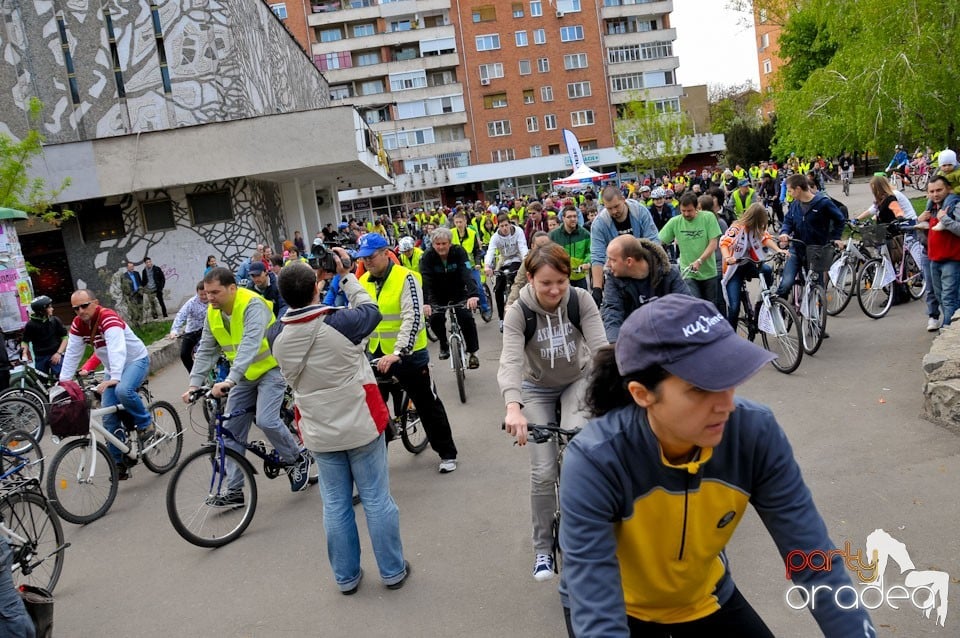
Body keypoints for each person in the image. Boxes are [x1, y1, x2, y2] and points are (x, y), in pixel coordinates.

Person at [559, 295, 877, 638]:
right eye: (700, 387)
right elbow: (595, 608)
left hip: (706, 600)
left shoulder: (754, 432)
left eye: (729, 374)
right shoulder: (595, 459)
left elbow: (814, 560)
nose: (726, 404)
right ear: (641, 394)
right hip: (620, 611)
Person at [273, 259, 410, 595]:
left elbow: (292, 322)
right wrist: (346, 274)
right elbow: (371, 308)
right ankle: (392, 570)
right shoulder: (343, 322)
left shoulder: (275, 334)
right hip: (361, 420)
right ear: (317, 286)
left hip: (318, 428)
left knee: (335, 503)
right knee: (376, 498)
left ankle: (346, 577)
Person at [499, 243, 607, 581]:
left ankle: (589, 533)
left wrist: (615, 395)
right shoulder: (519, 312)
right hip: (536, 389)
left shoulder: (580, 300)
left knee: (577, 453)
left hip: (577, 380)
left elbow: (602, 350)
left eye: (561, 281)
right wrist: (513, 407)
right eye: (546, 282)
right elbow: (510, 361)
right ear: (530, 278)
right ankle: (543, 548)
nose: (555, 290)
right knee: (543, 471)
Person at [183, 267, 311, 499]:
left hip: (272, 368)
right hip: (243, 377)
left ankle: (296, 459)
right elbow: (206, 350)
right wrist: (194, 384)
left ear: (232, 288)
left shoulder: (252, 304)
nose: (209, 297)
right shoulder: (213, 312)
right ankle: (234, 491)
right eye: (206, 292)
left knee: (266, 419)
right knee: (231, 431)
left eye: (215, 292)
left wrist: (230, 380)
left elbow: (250, 344)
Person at [355, 232, 461, 474]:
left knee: (427, 404)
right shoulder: (362, 283)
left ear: (385, 253)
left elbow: (412, 318)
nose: (367, 262)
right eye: (363, 259)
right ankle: (375, 463)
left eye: (371, 257)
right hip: (376, 354)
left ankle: (447, 453)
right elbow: (359, 320)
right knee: (371, 410)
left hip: (408, 354)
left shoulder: (408, 278)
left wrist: (399, 352)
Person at [59, 289, 154, 479]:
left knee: (123, 390)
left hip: (134, 360)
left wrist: (115, 377)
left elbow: (116, 349)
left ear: (95, 302)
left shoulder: (108, 317)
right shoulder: (79, 324)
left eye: (84, 306)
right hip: (113, 368)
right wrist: (63, 382)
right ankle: (119, 462)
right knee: (109, 416)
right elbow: (72, 354)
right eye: (75, 308)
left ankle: (146, 424)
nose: (80, 311)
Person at [601, 236, 689, 342]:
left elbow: (687, 307)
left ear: (629, 261)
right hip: (635, 342)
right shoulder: (614, 279)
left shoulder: (669, 274)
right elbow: (612, 312)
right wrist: (615, 344)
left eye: (612, 260)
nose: (607, 265)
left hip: (671, 338)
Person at [775, 174, 846, 298]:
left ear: (798, 189)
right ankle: (781, 310)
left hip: (816, 251)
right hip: (797, 249)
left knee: (816, 286)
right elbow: (788, 221)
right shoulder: (795, 205)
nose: (789, 194)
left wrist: (836, 237)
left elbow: (840, 219)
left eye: (790, 191)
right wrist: (784, 232)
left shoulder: (822, 203)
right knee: (786, 283)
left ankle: (816, 313)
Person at [418, 228, 481, 368]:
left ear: (450, 243)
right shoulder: (427, 257)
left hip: (458, 291)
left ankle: (472, 352)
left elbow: (466, 273)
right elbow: (425, 280)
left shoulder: (459, 252)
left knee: (466, 318)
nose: (441, 247)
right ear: (433, 244)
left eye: (444, 243)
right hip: (437, 293)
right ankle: (443, 343)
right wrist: (425, 303)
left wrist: (473, 295)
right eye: (437, 244)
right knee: (434, 318)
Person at [590, 185, 661, 307]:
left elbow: (653, 243)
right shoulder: (599, 224)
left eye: (616, 206)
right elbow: (597, 256)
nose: (614, 211)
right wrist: (597, 288)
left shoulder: (640, 212)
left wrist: (656, 273)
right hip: (618, 274)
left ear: (623, 199)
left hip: (643, 269)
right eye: (609, 208)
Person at [719, 203, 788, 327]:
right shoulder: (736, 228)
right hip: (734, 269)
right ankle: (730, 338)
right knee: (734, 307)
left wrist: (778, 250)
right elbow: (725, 243)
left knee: (767, 270)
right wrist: (728, 257)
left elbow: (765, 239)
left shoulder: (758, 228)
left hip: (750, 264)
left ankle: (764, 299)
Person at [659, 193, 722, 302]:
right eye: (683, 211)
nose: (686, 214)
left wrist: (700, 261)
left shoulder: (708, 217)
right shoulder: (675, 222)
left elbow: (713, 244)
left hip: (709, 272)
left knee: (710, 306)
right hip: (688, 273)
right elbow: (658, 242)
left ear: (697, 207)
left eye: (689, 211)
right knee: (695, 305)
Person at [921, 176, 960, 327]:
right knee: (940, 297)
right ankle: (952, 325)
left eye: (939, 190)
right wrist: (921, 222)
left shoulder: (955, 206)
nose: (935, 194)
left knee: (949, 297)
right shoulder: (931, 208)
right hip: (934, 259)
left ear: (948, 189)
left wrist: (945, 220)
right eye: (932, 191)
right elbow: (927, 236)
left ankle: (947, 329)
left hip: (952, 259)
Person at [484, 212, 529, 331]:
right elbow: (490, 251)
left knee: (519, 283)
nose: (504, 228)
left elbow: (523, 246)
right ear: (498, 227)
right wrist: (487, 266)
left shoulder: (518, 231)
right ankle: (501, 319)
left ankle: (524, 312)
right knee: (498, 288)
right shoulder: (495, 237)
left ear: (510, 224)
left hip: (518, 257)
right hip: (504, 260)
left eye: (506, 225)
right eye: (501, 226)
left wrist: (526, 260)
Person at [450, 212, 492, 322]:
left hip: (472, 266)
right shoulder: (451, 234)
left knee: (477, 287)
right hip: (457, 267)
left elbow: (477, 251)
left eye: (460, 222)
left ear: (465, 222)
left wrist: (478, 263)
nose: (458, 224)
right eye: (456, 222)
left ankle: (485, 308)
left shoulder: (472, 233)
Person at [21, 295, 68, 377]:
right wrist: (24, 353)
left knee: (62, 377)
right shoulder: (31, 325)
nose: (52, 309)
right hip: (40, 357)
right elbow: (25, 341)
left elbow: (65, 337)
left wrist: (58, 353)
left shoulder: (55, 320)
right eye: (49, 307)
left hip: (56, 354)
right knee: (41, 381)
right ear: (41, 310)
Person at [168, 281, 208, 373]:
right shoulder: (191, 303)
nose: (204, 297)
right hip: (192, 332)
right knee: (184, 354)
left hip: (207, 330)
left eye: (206, 294)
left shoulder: (213, 301)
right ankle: (194, 375)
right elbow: (181, 315)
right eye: (201, 295)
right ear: (197, 293)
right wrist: (174, 330)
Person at [549, 204, 592, 290]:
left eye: (575, 216)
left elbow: (590, 251)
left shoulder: (585, 234)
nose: (573, 219)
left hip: (580, 277)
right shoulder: (554, 235)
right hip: (561, 276)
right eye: (569, 217)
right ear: (563, 218)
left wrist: (587, 262)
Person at [120, 260, 143, 327]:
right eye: (130, 267)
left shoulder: (137, 273)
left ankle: (140, 320)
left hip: (139, 293)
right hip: (131, 295)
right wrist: (126, 296)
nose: (132, 268)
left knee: (140, 307)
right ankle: (135, 323)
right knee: (133, 309)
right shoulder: (124, 276)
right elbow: (123, 287)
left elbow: (140, 282)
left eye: (132, 266)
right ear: (127, 268)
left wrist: (141, 290)